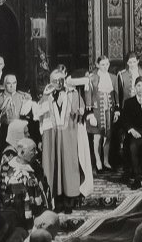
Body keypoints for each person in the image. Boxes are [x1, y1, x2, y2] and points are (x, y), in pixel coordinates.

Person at [33, 70, 93, 210]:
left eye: (60, 79)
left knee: (69, 165)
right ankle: (56, 200)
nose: (58, 83)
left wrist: (80, 109)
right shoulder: (46, 95)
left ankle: (69, 201)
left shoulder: (72, 93)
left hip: (69, 135)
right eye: (54, 80)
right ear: (50, 81)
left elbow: (80, 111)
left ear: (64, 79)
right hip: (51, 136)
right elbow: (39, 116)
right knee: (53, 166)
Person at [88, 55, 118, 172]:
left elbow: (116, 95)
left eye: (107, 64)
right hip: (96, 110)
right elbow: (88, 95)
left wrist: (117, 111)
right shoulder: (93, 77)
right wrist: (89, 113)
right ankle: (98, 161)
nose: (105, 67)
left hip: (109, 110)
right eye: (102, 65)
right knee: (97, 136)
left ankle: (106, 160)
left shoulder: (113, 78)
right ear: (97, 65)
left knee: (108, 136)